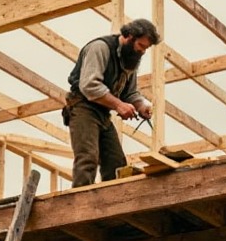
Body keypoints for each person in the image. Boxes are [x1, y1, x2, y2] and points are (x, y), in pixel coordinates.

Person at [63, 18, 161, 187]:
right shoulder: (100, 48)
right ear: (129, 36)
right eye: (141, 46)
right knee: (87, 158)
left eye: (146, 48)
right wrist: (118, 105)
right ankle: (80, 206)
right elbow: (89, 86)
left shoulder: (131, 58)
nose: (143, 51)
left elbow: (129, 92)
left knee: (116, 162)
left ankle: (111, 206)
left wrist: (141, 105)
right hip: (83, 107)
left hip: (103, 113)